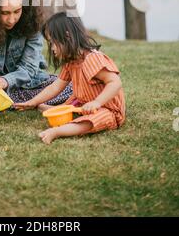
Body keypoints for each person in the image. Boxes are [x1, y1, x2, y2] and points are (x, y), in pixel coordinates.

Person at [14, 12, 125, 145]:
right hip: (84, 103)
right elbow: (56, 87)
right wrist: (33, 101)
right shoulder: (71, 62)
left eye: (53, 43)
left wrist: (97, 102)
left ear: (67, 36)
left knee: (91, 121)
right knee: (72, 103)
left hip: (108, 109)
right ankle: (54, 109)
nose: (52, 48)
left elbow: (115, 82)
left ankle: (57, 132)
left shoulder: (92, 59)